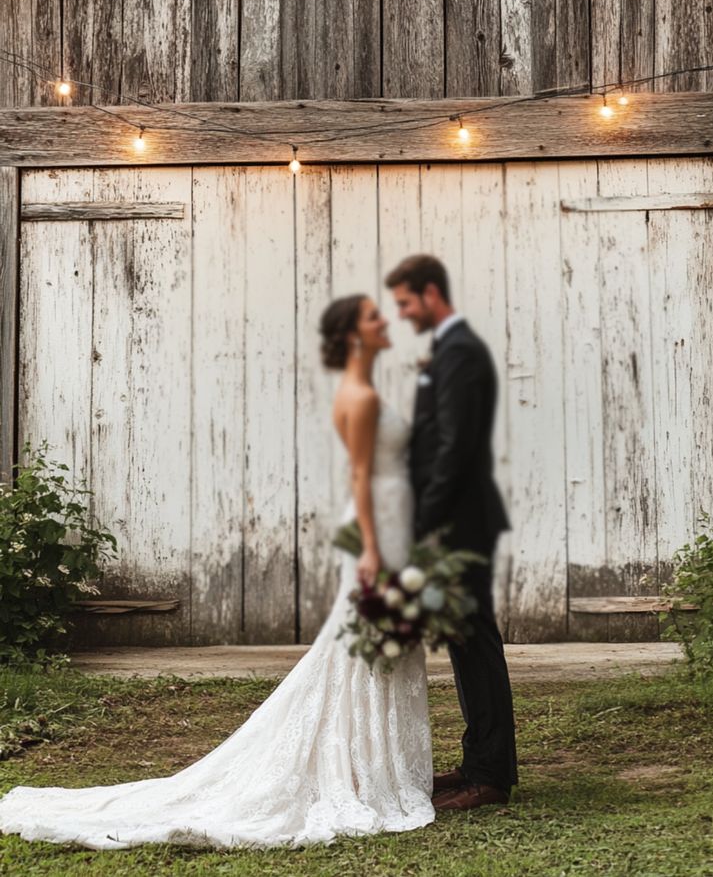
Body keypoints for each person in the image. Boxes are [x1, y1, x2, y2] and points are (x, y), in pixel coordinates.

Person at [0, 294, 434, 850]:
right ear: (353, 334)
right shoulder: (358, 395)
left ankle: (372, 767)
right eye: (374, 316)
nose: (385, 322)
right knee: (364, 646)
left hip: (395, 527)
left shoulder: (370, 390)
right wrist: (374, 552)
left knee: (379, 647)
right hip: (378, 534)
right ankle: (361, 773)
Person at [386, 253, 518, 809]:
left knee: (475, 643)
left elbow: (455, 450)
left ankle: (491, 776)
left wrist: (424, 521)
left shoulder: (460, 352)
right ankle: (477, 763)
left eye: (406, 303)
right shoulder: (446, 351)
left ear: (431, 294)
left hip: (462, 522)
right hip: (456, 520)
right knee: (466, 645)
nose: (402, 313)